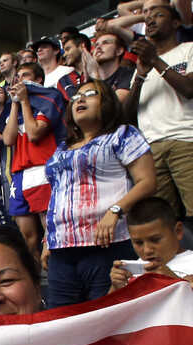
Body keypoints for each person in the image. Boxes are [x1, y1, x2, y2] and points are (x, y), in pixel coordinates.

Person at [43, 79, 156, 307]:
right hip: (62, 250)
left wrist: (115, 210)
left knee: (104, 319)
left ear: (106, 103)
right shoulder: (62, 147)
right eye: (75, 97)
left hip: (107, 245)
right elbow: (57, 195)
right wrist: (47, 240)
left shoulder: (123, 134)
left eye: (90, 94)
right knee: (61, 324)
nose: (79, 100)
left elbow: (148, 181)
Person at [125, 1, 193, 248]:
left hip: (188, 140)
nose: (150, 21)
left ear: (176, 22)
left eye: (158, 15)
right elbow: (128, 115)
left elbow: (189, 89)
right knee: (165, 218)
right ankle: (177, 271)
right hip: (151, 147)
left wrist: (155, 60)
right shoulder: (143, 66)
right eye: (147, 18)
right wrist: (142, 73)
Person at [111, 196, 193, 314]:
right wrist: (116, 289)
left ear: (178, 231)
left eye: (155, 240)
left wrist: (174, 282)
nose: (147, 250)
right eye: (138, 242)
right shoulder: (129, 272)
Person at [0, 61, 67, 258]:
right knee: (25, 237)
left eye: (26, 76)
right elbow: (8, 139)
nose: (20, 81)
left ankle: (56, 275)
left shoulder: (50, 97)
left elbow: (34, 133)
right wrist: (14, 103)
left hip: (42, 168)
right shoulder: (16, 106)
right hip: (20, 173)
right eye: (18, 76)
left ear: (38, 79)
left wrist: (25, 102)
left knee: (50, 231)